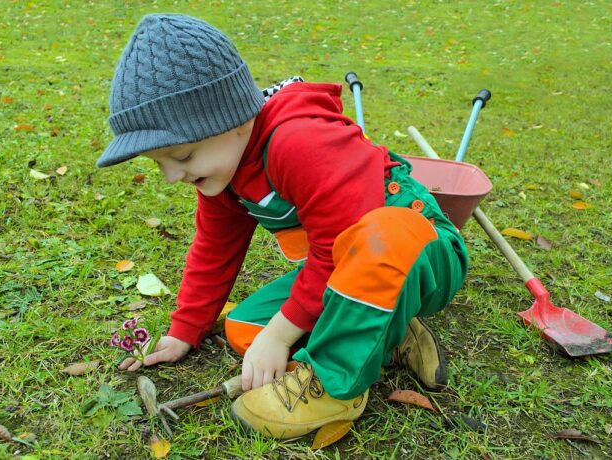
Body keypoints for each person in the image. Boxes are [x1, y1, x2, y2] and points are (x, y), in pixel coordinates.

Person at [100, 14, 468, 439]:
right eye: (159, 163)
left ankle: (335, 388)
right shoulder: (223, 173)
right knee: (246, 331)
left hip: (420, 251)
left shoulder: (298, 141)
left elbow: (338, 245)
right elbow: (214, 251)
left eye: (182, 157)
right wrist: (185, 330)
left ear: (234, 120)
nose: (171, 176)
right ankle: (389, 329)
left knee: (376, 238)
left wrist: (281, 335)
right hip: (347, 271)